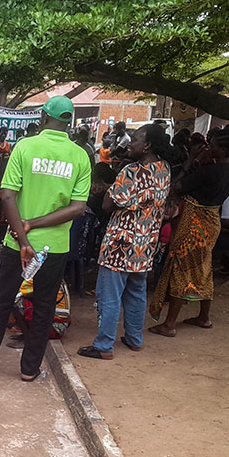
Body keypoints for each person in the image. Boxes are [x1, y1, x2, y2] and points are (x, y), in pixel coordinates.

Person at [0, 96, 92, 381]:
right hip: (54, 247)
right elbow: (77, 208)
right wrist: (37, 226)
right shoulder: (80, 156)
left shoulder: (25, 147)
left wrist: (24, 237)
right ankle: (30, 369)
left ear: (43, 117)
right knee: (44, 307)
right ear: (70, 122)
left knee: (2, 300)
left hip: (16, 243)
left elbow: (7, 195)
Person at [77, 125, 171, 360]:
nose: (130, 143)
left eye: (136, 139)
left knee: (109, 296)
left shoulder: (131, 171)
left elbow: (108, 205)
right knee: (136, 293)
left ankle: (104, 346)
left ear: (147, 145)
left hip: (121, 243)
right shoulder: (164, 169)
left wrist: (110, 189)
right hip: (145, 244)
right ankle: (134, 338)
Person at [149, 132, 229, 336]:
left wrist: (191, 161)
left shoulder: (210, 171)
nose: (209, 148)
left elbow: (177, 188)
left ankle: (169, 324)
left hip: (194, 221)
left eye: (213, 145)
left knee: (182, 267)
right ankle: (204, 317)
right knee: (204, 266)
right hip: (212, 221)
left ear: (223, 150)